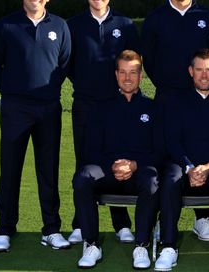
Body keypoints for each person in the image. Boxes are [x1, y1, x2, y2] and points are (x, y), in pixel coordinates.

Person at [0, 0, 72, 252]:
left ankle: (51, 228)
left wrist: (45, 92)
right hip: (15, 109)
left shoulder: (59, 26)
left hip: (48, 108)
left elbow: (64, 64)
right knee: (10, 168)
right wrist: (12, 92)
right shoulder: (6, 25)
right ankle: (5, 229)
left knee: (48, 169)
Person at [66, 0, 140, 245]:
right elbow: (68, 64)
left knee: (118, 158)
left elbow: (133, 63)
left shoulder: (125, 23)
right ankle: (80, 223)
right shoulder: (72, 25)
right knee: (84, 162)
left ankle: (121, 224)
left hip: (117, 105)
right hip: (85, 104)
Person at [72, 50, 162, 269]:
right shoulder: (101, 108)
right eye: (122, 72)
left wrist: (134, 164)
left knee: (152, 181)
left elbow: (160, 151)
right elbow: (89, 150)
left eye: (133, 72)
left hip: (138, 173)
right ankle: (91, 243)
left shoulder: (154, 108)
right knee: (83, 177)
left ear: (141, 76)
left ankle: (141, 244)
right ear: (116, 75)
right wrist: (112, 165)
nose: (127, 78)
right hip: (107, 172)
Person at [156, 49, 209, 272]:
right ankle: (168, 246)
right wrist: (189, 167)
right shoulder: (176, 102)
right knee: (171, 176)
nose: (204, 75)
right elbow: (172, 140)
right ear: (191, 71)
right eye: (199, 70)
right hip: (184, 166)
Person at [141, 0, 209, 104]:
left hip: (200, 96)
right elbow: (149, 60)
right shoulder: (154, 19)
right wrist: (164, 83)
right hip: (167, 96)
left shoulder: (208, 17)